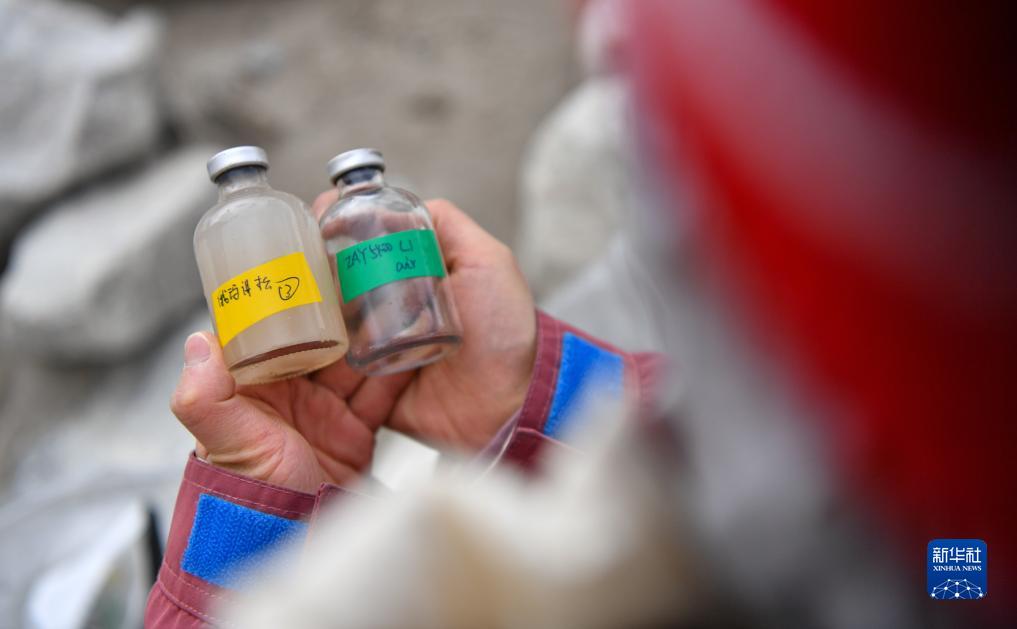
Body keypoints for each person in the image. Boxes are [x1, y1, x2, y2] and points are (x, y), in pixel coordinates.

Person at [148, 1, 1015, 627]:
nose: (587, 26)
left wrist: (249, 534)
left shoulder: (942, 544)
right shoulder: (926, 536)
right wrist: (525, 395)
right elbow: (902, 547)